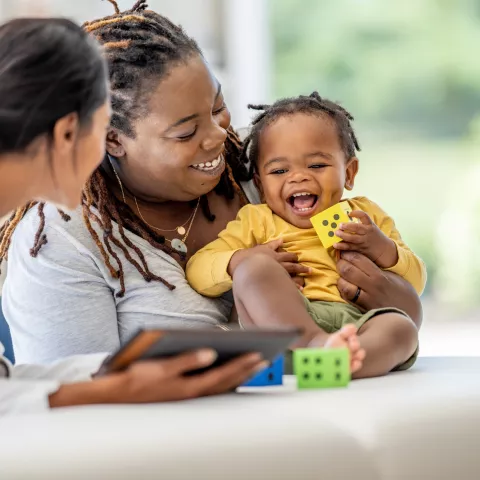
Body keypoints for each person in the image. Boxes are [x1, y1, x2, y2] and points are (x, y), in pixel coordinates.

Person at [1, 1, 422, 366]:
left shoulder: (269, 170)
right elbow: (74, 405)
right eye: (185, 133)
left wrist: (383, 284)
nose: (219, 135)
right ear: (112, 138)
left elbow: (405, 312)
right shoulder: (63, 241)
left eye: (218, 106)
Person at [0, 16, 267, 415]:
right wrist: (115, 389)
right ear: (70, 133)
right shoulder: (58, 235)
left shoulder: (260, 165)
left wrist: (119, 381)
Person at [187, 93, 427, 378]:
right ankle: (316, 347)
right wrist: (241, 260)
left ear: (348, 173)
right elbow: (198, 270)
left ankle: (340, 363)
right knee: (253, 270)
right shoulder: (258, 220)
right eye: (279, 170)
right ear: (262, 186)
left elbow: (415, 281)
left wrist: (382, 248)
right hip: (287, 326)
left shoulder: (363, 216)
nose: (298, 177)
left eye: (316, 165)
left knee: (401, 328)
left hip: (357, 325)